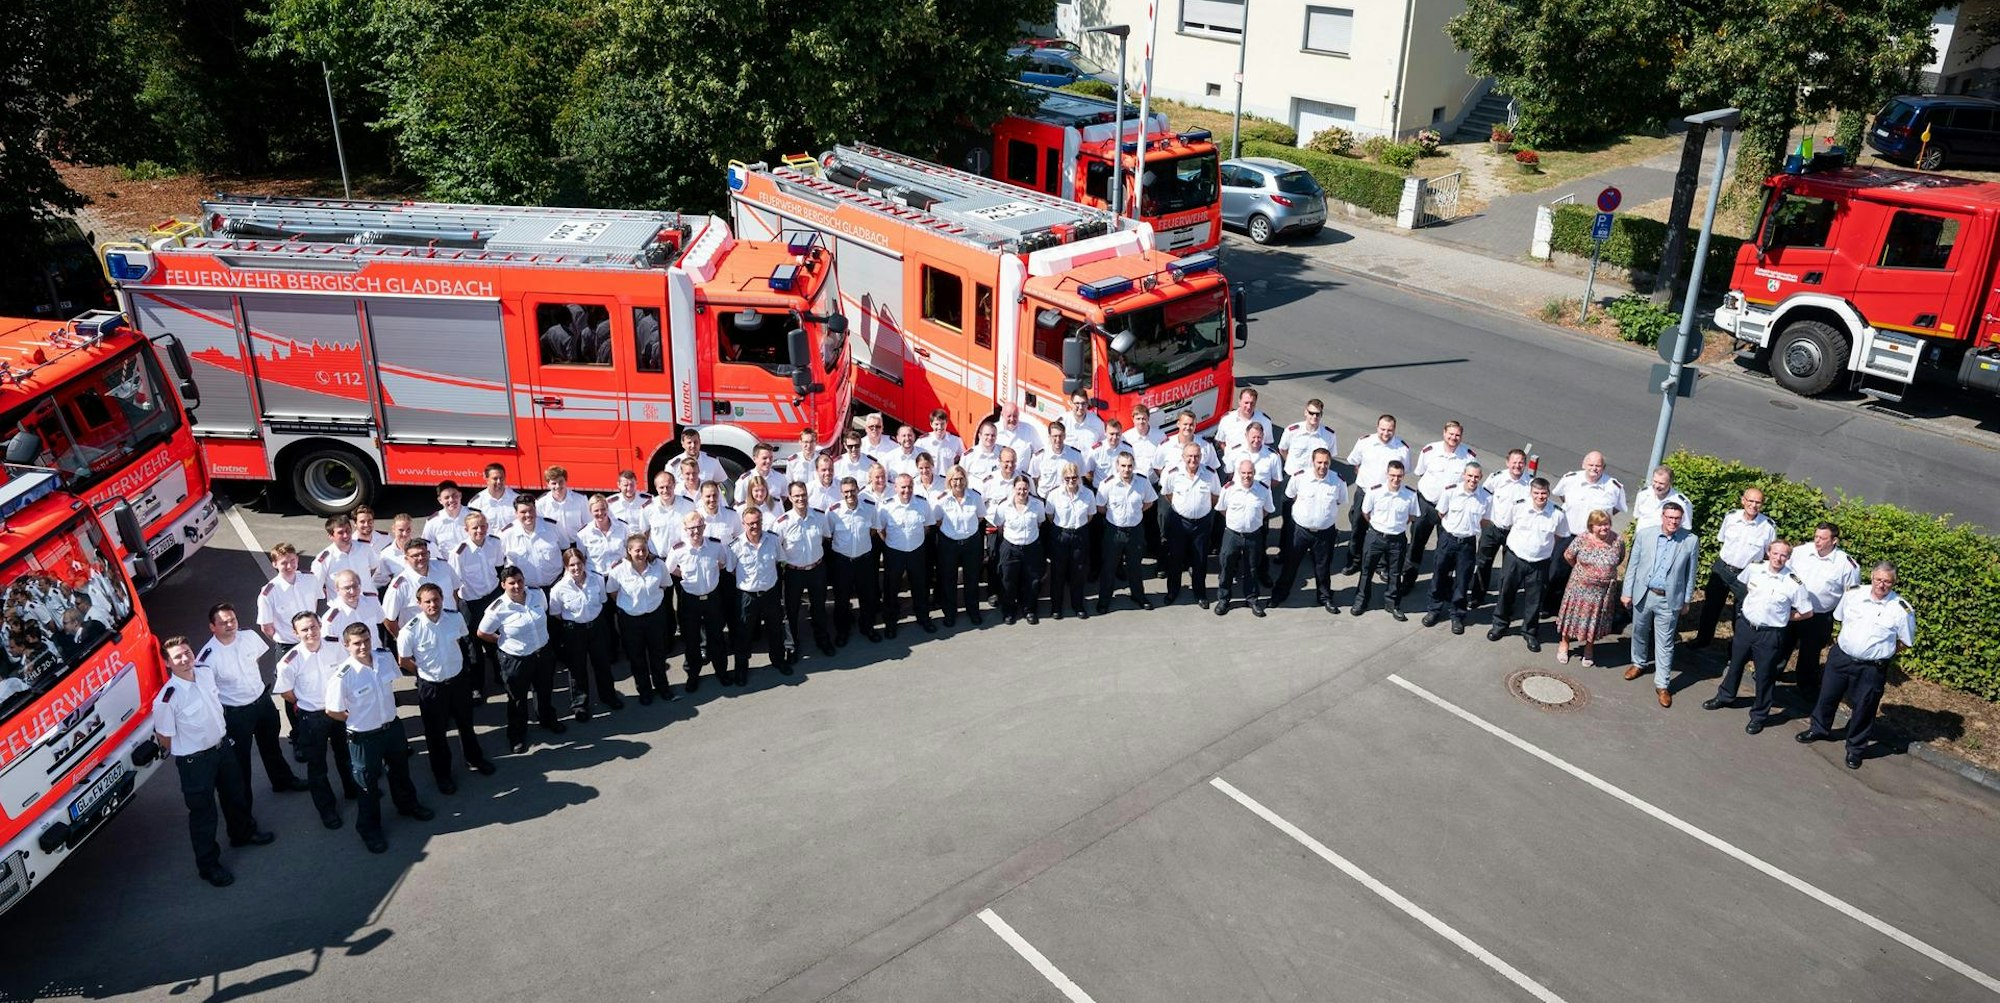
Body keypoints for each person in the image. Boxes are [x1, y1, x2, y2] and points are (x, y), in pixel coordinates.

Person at [154, 636, 272, 887]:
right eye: (177, 657)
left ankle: (242, 834)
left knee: (235, 795)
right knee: (203, 813)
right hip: (195, 762)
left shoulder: (205, 673)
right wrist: (190, 751)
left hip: (222, 748)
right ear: (167, 663)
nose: (185, 659)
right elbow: (164, 737)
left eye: (187, 652)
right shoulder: (167, 699)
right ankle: (208, 866)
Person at [326, 623, 434, 854]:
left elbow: (391, 684)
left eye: (366, 640)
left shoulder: (384, 658)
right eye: (356, 643)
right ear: (346, 646)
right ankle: (369, 829)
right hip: (364, 737)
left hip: (391, 728)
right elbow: (333, 710)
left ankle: (408, 805)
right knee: (367, 785)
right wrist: (356, 720)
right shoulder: (342, 676)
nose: (363, 646)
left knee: (400, 771)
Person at [1796, 562, 1915, 770]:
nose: (1881, 585)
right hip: (1841, 658)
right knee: (1827, 696)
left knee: (1864, 708)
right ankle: (1819, 729)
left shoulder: (1901, 609)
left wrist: (1883, 652)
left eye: (1887, 582)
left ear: (1894, 583)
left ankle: (1855, 748)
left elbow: (1905, 641)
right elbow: (1839, 617)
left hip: (1871, 668)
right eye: (1878, 579)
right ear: (1872, 577)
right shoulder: (1853, 594)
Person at [198, 603, 307, 800]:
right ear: (212, 627)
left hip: (262, 703)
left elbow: (255, 660)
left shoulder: (248, 636)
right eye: (223, 623)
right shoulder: (207, 658)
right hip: (236, 714)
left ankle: (282, 781)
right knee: (240, 760)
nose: (230, 625)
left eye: (232, 620)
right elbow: (207, 691)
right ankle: (243, 805)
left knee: (272, 746)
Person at [1704, 541, 1813, 733]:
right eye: (1775, 553)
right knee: (1735, 664)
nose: (1778, 558)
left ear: (1788, 558)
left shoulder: (1794, 583)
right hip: (1745, 627)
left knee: (1764, 676)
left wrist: (1785, 617)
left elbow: (1807, 612)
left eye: (1783, 555)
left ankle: (1759, 715)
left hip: (1769, 635)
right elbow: (1746, 588)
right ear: (1768, 553)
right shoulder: (1754, 568)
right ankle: (1725, 696)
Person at [396, 583, 495, 792]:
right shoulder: (410, 630)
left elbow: (460, 641)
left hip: (458, 682)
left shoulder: (455, 618)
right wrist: (423, 674)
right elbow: (403, 660)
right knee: (436, 734)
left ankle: (474, 759)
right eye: (427, 601)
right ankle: (443, 775)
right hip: (432, 688)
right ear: (419, 604)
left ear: (442, 599)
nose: (433, 605)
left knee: (466, 724)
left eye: (436, 599)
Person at [274, 613, 359, 828]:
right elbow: (286, 692)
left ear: (320, 625)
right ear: (296, 633)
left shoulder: (335, 646)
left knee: (346, 755)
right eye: (304, 629)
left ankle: (352, 789)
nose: (310, 632)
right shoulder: (289, 661)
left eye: (313, 626)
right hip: (312, 717)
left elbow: (346, 672)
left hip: (338, 711)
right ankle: (327, 809)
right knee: (317, 766)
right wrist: (304, 702)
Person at [1620, 502, 1701, 708]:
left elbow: (1690, 574)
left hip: (1668, 600)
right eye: (1669, 517)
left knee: (1665, 642)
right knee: (1639, 631)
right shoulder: (1645, 535)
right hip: (1644, 594)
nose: (1673, 521)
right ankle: (1638, 663)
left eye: (1677, 518)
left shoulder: (1690, 540)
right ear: (1662, 517)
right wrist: (1627, 592)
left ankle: (1662, 684)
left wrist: (1686, 600)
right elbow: (1632, 566)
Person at [476, 566, 564, 753]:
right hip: (516, 659)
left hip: (542, 652)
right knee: (517, 699)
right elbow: (482, 632)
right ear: (503, 585)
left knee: (544, 689)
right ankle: (517, 735)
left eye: (520, 581)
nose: (517, 586)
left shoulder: (537, 595)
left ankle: (547, 719)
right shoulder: (497, 609)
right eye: (511, 583)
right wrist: (502, 640)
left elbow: (544, 612)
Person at [1690, 488, 1776, 649]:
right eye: (1750, 501)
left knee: (1741, 614)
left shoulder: (1768, 527)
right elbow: (1722, 539)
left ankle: (1736, 650)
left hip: (1747, 574)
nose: (1753, 505)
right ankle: (1702, 640)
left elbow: (1767, 554)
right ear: (1743, 500)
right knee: (1711, 607)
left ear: (1762, 504)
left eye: (1758, 502)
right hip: (1723, 568)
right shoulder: (1731, 517)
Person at [1782, 522, 1861, 698]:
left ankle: (1806, 686)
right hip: (1793, 609)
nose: (1817, 541)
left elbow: (1851, 595)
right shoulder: (1801, 552)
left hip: (1819, 616)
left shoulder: (1847, 565)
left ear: (1834, 541)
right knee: (1782, 643)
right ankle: (1771, 673)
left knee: (1810, 653)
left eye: (1823, 538)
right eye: (1816, 536)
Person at [1488, 477, 1567, 649]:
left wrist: (1542, 549)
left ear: (1548, 493)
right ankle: (1499, 625)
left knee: (1535, 599)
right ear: (1530, 493)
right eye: (1536, 493)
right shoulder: (1518, 506)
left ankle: (1530, 632)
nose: (1540, 497)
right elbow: (1507, 524)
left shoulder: (1558, 513)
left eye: (1543, 493)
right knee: (1506, 592)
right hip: (1515, 558)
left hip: (1539, 563)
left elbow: (1560, 536)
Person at [1406, 421, 1477, 594]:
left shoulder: (1468, 457)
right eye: (1450, 434)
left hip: (1450, 511)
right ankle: (1408, 579)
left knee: (1445, 549)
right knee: (1416, 544)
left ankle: (1441, 585)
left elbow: (1469, 482)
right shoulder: (1430, 450)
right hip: (1426, 505)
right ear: (1444, 433)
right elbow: (1421, 472)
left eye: (1457, 435)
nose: (1453, 438)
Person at [1273, 447, 1346, 613]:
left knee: (1323, 567)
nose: (1322, 466)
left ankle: (1325, 597)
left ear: (1330, 463)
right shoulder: (1300, 477)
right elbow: (1290, 495)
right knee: (1290, 564)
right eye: (1319, 462)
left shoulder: (1338, 481)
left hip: (1325, 533)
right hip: (1300, 531)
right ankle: (1279, 594)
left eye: (1326, 463)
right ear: (1313, 462)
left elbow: (1340, 500)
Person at [1549, 452, 1625, 607]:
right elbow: (1561, 496)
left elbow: (1617, 508)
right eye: (1591, 465)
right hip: (1569, 534)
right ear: (1583, 465)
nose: (1594, 468)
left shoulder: (1613, 486)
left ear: (1603, 467)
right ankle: (1550, 606)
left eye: (1598, 466)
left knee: (1586, 576)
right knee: (1557, 572)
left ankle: (1574, 607)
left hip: (1594, 540)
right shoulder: (1570, 479)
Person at [666, 510, 732, 690]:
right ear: (685, 529)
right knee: (691, 639)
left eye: (699, 527)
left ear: (704, 526)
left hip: (712, 598)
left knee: (716, 637)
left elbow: (723, 563)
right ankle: (693, 675)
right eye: (691, 528)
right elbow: (669, 569)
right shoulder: (678, 549)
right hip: (690, 600)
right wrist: (684, 576)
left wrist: (711, 575)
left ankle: (722, 671)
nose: (695, 531)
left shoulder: (715, 545)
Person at [606, 532, 675, 703]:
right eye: (637, 550)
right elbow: (613, 592)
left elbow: (665, 585)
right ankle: (644, 691)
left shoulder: (658, 565)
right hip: (631, 619)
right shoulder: (618, 570)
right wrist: (632, 606)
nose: (641, 553)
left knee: (658, 654)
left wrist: (650, 601)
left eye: (644, 549)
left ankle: (662, 686)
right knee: (636, 657)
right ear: (629, 551)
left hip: (655, 616)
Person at [549, 548, 619, 717]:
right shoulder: (558, 589)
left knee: (602, 664)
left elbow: (602, 601)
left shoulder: (597, 579)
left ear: (584, 562)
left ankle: (608, 696)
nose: (576, 568)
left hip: (597, 627)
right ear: (566, 567)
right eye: (571, 565)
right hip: (574, 631)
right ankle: (579, 704)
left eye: (579, 563)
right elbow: (556, 613)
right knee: (577, 668)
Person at [1423, 463, 1491, 634]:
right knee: (1439, 576)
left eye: (1476, 477)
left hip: (1467, 544)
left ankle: (1457, 615)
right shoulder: (1450, 491)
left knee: (1462, 581)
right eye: (1470, 476)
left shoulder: (1486, 497)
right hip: (1448, 539)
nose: (1472, 480)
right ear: (1464, 475)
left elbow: (1485, 521)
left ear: (1480, 478)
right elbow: (1441, 513)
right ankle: (1434, 609)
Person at [1554, 510, 1625, 664]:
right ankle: (1564, 643)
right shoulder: (1582, 538)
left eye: (1606, 524)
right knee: (1572, 617)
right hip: (1579, 587)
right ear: (1591, 526)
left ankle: (1589, 647)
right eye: (1600, 525)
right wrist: (1582, 572)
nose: (1604, 527)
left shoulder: (1617, 540)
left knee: (1595, 620)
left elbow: (1619, 558)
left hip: (1602, 592)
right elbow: (1568, 555)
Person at [775, 482, 837, 654]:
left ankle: (823, 639)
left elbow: (825, 537)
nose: (800, 498)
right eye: (796, 496)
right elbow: (776, 547)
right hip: (793, 572)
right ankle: (791, 645)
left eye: (803, 495)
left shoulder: (819, 516)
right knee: (791, 610)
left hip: (817, 569)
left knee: (819, 607)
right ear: (790, 498)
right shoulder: (782, 522)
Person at [1343, 415, 1409, 575]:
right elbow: (1354, 460)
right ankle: (1355, 561)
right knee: (1358, 528)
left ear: (1394, 429)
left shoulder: (1402, 449)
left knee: (1384, 531)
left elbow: (1404, 469)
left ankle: (1381, 565)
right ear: (1377, 427)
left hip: (1386, 496)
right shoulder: (1365, 442)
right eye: (1383, 429)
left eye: (1389, 430)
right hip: (1364, 493)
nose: (1386, 433)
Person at [1354, 460, 1419, 620]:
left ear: (1403, 476)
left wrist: (1396, 527)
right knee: (1367, 571)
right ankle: (1361, 601)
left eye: (1399, 476)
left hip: (1397, 539)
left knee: (1395, 573)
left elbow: (1412, 516)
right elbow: (1366, 512)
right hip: (1375, 537)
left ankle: (1392, 604)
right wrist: (1379, 526)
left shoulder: (1410, 494)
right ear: (1387, 474)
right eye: (1392, 475)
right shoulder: (1375, 491)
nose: (1395, 479)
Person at [449, 511, 505, 698]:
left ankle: (501, 675)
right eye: (475, 528)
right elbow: (454, 584)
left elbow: (498, 567)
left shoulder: (495, 543)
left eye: (482, 526)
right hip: (471, 602)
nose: (480, 530)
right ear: (466, 530)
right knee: (472, 646)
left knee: (497, 638)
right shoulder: (459, 553)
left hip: (493, 597)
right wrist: (457, 608)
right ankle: (476, 686)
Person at [1159, 442, 1221, 608]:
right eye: (1189, 456)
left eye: (1196, 456)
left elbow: (1215, 495)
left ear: (1201, 457)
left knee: (1200, 559)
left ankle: (1200, 593)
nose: (1193, 460)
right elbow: (1167, 493)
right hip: (1179, 522)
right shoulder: (1173, 473)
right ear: (1183, 457)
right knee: (1175, 558)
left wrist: (1201, 509)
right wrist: (1183, 508)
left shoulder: (1210, 474)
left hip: (1201, 523)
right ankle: (1172, 591)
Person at [729, 507, 788, 680]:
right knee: (743, 634)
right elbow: (731, 570)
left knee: (775, 629)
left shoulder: (773, 540)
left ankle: (778, 660)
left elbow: (779, 560)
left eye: (757, 522)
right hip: (747, 596)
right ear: (743, 524)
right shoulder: (735, 546)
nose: (754, 526)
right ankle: (741, 669)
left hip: (770, 593)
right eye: (750, 524)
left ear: (762, 522)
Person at [877, 474, 938, 635]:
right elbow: (880, 530)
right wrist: (893, 543)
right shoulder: (886, 506)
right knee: (891, 589)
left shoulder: (922, 503)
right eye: (903, 487)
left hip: (916, 551)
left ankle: (923, 617)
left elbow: (927, 526)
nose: (907, 490)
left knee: (920, 587)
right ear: (895, 488)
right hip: (894, 552)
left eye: (910, 486)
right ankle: (890, 622)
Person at [1096, 451, 1156, 613]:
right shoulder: (1107, 484)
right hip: (1114, 531)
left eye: (1130, 466)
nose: (1126, 469)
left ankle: (1138, 596)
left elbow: (1149, 502)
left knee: (1135, 566)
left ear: (1134, 466)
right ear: (1117, 466)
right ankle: (1104, 600)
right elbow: (1100, 507)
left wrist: (1134, 514)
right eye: (1123, 466)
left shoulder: (1142, 482)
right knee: (1109, 567)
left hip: (1135, 531)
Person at [1472, 449, 1533, 607]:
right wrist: (1483, 520)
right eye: (1514, 462)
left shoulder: (1530, 483)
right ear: (1507, 462)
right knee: (1483, 563)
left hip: (1514, 532)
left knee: (1509, 570)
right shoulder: (1497, 478)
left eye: (1521, 462)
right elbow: (1484, 497)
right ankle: (1477, 596)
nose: (1517, 466)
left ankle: (1504, 603)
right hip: (1493, 528)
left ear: (1525, 464)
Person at [1216, 459, 1276, 617]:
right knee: (1226, 567)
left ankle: (1252, 599)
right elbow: (1222, 509)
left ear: (1254, 473)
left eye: (1250, 473)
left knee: (1252, 568)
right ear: (1238, 473)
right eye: (1243, 473)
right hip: (1232, 535)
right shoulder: (1229, 489)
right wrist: (1236, 522)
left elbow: (1267, 510)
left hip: (1253, 536)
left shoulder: (1263, 489)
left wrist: (1253, 521)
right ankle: (1223, 599)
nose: (1246, 476)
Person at [826, 478, 882, 644]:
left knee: (867, 597)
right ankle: (842, 631)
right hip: (842, 562)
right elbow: (828, 535)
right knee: (842, 599)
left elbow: (873, 529)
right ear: (841, 493)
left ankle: (868, 627)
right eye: (846, 492)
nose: (849, 494)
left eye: (852, 490)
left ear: (858, 490)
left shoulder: (869, 508)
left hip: (864, 561)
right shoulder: (833, 512)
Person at [1044, 462, 1099, 619]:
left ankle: (1078, 605)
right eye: (1067, 478)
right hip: (1060, 534)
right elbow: (1050, 516)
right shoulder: (1054, 495)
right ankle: (1056, 606)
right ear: (1063, 478)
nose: (1071, 481)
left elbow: (1090, 516)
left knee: (1078, 571)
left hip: (1080, 534)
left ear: (1079, 477)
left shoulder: (1088, 494)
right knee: (1058, 572)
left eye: (1074, 477)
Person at [989, 475, 1046, 624]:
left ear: (1029, 489)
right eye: (1019, 489)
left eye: (1025, 489)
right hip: (1010, 547)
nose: (1022, 492)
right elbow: (999, 526)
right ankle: (1009, 610)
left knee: (1032, 581)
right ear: (1014, 489)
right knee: (1008, 580)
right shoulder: (1004, 506)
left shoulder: (1038, 505)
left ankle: (1029, 609)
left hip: (1031, 547)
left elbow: (1039, 523)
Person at [382, 537, 459, 638]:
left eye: (423, 554)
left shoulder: (444, 567)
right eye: (415, 555)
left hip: (450, 632)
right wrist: (403, 641)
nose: (420, 558)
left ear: (429, 554)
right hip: (422, 639)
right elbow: (388, 618)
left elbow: (455, 591)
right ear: (406, 559)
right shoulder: (400, 584)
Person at [255, 542, 321, 650]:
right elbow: (266, 627)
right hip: (288, 646)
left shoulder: (311, 579)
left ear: (297, 559)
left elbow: (314, 604)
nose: (289, 566)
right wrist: (281, 642)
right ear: (274, 564)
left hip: (314, 640)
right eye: (284, 563)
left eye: (292, 561)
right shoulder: (268, 593)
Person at [501, 496, 564, 592]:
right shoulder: (505, 535)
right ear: (516, 513)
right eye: (523, 512)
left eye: (531, 510)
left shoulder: (553, 527)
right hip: (525, 591)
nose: (528, 514)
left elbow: (566, 550)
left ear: (535, 509)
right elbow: (499, 563)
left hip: (556, 585)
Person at [312, 515, 381, 600]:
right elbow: (315, 588)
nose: (346, 535)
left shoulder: (365, 548)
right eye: (340, 533)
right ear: (331, 536)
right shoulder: (324, 560)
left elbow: (374, 567)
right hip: (342, 606)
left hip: (368, 602)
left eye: (348, 531)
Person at [319, 570, 387, 651]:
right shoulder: (331, 619)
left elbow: (380, 619)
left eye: (355, 586)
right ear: (337, 590)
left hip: (376, 655)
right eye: (347, 588)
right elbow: (329, 648)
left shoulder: (372, 602)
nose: (352, 591)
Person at [575, 495, 632, 575]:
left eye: (603, 509)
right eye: (596, 510)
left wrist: (622, 562)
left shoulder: (623, 527)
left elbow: (631, 552)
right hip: (595, 577)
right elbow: (580, 559)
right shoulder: (583, 534)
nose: (600, 513)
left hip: (620, 574)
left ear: (607, 509)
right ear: (590, 511)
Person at [536, 466, 590, 548]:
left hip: (578, 544)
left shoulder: (580, 499)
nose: (558, 486)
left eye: (561, 482)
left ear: (566, 481)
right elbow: (540, 528)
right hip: (555, 546)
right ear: (548, 484)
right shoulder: (540, 503)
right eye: (554, 483)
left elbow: (588, 524)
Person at [1629, 465, 1693, 532]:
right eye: (1655, 481)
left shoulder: (1681, 503)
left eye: (1661, 483)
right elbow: (1637, 516)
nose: (1657, 486)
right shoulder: (1643, 494)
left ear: (1670, 483)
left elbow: (1686, 528)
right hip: (1641, 537)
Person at [1214, 387, 1276, 453]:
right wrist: (1228, 454)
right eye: (1246, 403)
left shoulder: (1265, 421)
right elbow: (1221, 441)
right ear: (1239, 401)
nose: (1249, 407)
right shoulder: (1227, 420)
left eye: (1252, 403)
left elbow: (1267, 443)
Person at [424, 480, 472, 555]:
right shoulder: (432, 522)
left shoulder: (475, 515)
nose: (451, 500)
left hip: (472, 561)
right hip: (446, 562)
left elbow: (488, 541)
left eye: (454, 496)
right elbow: (427, 547)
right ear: (440, 500)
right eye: (446, 497)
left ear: (460, 495)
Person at [466, 462, 519, 530]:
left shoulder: (516, 498)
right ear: (486, 478)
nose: (499, 482)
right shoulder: (476, 503)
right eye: (495, 478)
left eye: (501, 478)